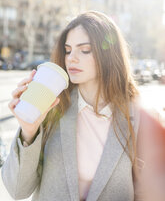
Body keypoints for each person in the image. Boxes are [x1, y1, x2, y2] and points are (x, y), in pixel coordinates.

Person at [1, 11, 165, 201]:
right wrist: (28, 131)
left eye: (85, 50)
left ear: (109, 54)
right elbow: (17, 190)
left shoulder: (140, 118)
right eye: (68, 50)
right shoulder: (50, 106)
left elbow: (149, 192)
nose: (71, 58)